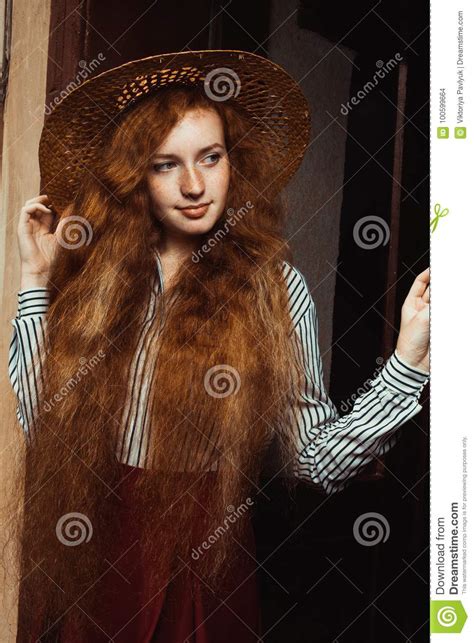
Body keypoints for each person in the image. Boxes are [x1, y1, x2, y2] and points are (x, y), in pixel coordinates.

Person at [6, 50, 430, 642]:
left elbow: (313, 460)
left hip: (210, 561)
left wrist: (405, 367)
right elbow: (41, 422)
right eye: (164, 165)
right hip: (102, 560)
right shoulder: (98, 276)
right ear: (136, 179)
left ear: (235, 161)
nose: (193, 185)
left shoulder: (275, 290)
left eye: (210, 156)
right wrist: (35, 283)